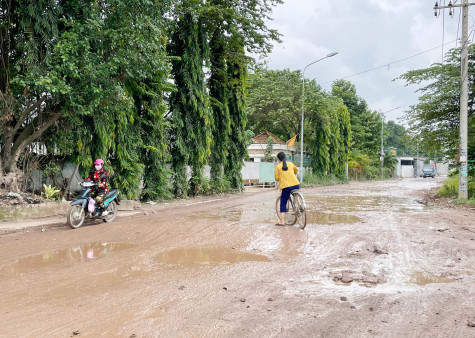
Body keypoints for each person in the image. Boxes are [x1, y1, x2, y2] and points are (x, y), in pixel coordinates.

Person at [274, 152, 300, 226]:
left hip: (286, 187)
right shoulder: (291, 164)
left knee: (283, 202)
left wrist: (280, 177)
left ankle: (282, 221)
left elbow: (276, 178)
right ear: (285, 157)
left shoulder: (277, 166)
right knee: (295, 195)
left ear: (278, 159)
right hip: (296, 184)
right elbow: (296, 170)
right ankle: (300, 205)